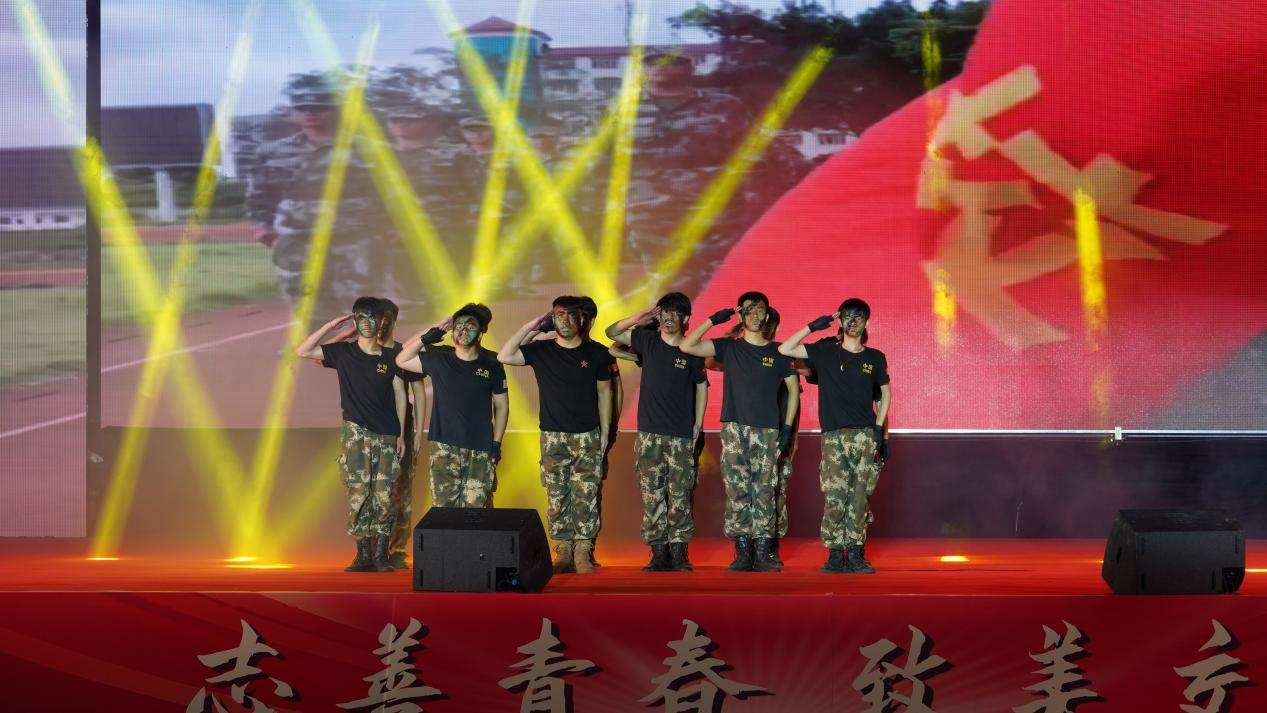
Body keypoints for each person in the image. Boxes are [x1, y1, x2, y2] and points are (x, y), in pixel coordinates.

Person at [246, 77, 383, 320]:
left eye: (319, 107)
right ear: (293, 112)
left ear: (336, 111)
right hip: (297, 236)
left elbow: (390, 193)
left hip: (353, 236)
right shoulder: (272, 151)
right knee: (305, 300)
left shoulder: (370, 149)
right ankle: (319, 340)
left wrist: (391, 228)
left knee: (360, 300)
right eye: (303, 108)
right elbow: (260, 191)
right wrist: (262, 225)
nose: (311, 113)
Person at [681, 291, 799, 572]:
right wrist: (713, 320)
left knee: (765, 490)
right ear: (741, 315)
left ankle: (763, 553)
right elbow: (687, 346)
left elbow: (793, 391)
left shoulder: (779, 352)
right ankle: (743, 552)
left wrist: (786, 428)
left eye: (760, 311)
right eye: (749, 310)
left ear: (767, 316)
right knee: (737, 490)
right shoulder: (728, 347)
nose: (755, 315)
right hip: (734, 429)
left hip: (768, 430)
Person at [498, 297, 615, 574]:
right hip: (552, 435)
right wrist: (533, 326)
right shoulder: (541, 350)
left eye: (570, 315)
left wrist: (605, 432)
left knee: (586, 492)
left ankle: (583, 549)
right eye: (559, 315)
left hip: (587, 434)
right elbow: (505, 355)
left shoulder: (597, 353)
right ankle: (562, 549)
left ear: (581, 319)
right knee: (556, 493)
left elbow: (605, 393)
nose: (564, 321)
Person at [779, 298, 891, 573]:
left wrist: (881, 433)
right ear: (840, 321)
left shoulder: (875, 357)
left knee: (860, 496)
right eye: (848, 316)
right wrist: (812, 327)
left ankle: (854, 553)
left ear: (866, 322)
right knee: (835, 494)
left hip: (865, 434)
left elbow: (885, 393)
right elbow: (785, 349)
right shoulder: (825, 352)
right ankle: (833, 554)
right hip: (833, 436)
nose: (853, 322)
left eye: (859, 317)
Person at [295, 296, 406, 572]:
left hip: (387, 434)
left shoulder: (391, 357)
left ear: (381, 321)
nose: (366, 323)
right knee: (358, 493)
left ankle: (381, 555)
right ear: (355, 321)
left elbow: (400, 395)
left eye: (371, 317)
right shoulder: (344, 353)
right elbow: (303, 351)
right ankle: (363, 555)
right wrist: (331, 326)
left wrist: (401, 434)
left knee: (384, 495)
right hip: (355, 433)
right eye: (360, 317)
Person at [606, 292, 708, 572]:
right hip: (649, 434)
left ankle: (679, 551)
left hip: (681, 434)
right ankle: (658, 551)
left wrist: (698, 424)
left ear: (686, 319)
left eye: (675, 313)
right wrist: (641, 317)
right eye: (664, 313)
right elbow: (611, 333)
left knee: (680, 494)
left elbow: (701, 387)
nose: (668, 318)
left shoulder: (691, 350)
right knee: (651, 493)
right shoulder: (647, 341)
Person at [397, 303, 509, 512]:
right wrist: (430, 334)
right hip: (444, 448)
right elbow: (402, 357)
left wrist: (496, 445)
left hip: (480, 449)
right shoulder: (439, 358)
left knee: (477, 512)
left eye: (470, 326)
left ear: (481, 332)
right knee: (444, 512)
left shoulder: (492, 362)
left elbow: (502, 407)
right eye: (458, 326)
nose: (463, 330)